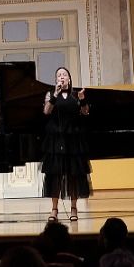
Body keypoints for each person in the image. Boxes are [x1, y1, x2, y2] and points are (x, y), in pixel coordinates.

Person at [41, 66, 92, 222]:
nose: (61, 77)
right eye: (58, 75)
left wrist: (83, 99)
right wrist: (55, 94)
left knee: (74, 175)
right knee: (55, 175)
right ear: (56, 80)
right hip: (55, 140)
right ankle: (54, 210)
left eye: (64, 74)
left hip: (73, 139)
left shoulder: (77, 95)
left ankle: (74, 208)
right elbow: (46, 111)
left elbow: (85, 112)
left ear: (69, 79)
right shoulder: (51, 94)